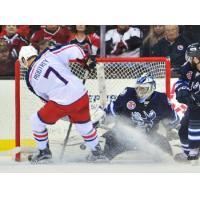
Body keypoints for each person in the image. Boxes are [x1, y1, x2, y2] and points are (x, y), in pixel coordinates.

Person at [18, 44, 107, 163]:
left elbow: (45, 99)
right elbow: (74, 47)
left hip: (60, 103)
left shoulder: (29, 79)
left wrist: (63, 113)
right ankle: (98, 154)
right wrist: (85, 59)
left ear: (24, 60)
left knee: (36, 120)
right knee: (84, 125)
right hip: (81, 94)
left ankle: (44, 153)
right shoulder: (48, 54)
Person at [94, 73, 179, 160]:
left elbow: (174, 119)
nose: (139, 91)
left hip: (149, 138)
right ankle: (101, 157)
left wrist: (171, 128)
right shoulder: (128, 94)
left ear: (152, 88)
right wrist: (100, 119)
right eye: (137, 88)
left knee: (165, 149)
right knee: (108, 140)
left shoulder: (162, 99)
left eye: (143, 89)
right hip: (123, 137)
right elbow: (111, 110)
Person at [174, 43, 200, 162]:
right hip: (194, 107)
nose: (191, 60)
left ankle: (194, 150)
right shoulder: (188, 68)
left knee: (195, 124)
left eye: (193, 57)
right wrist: (182, 90)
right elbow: (182, 81)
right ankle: (187, 152)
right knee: (183, 129)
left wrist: (196, 97)